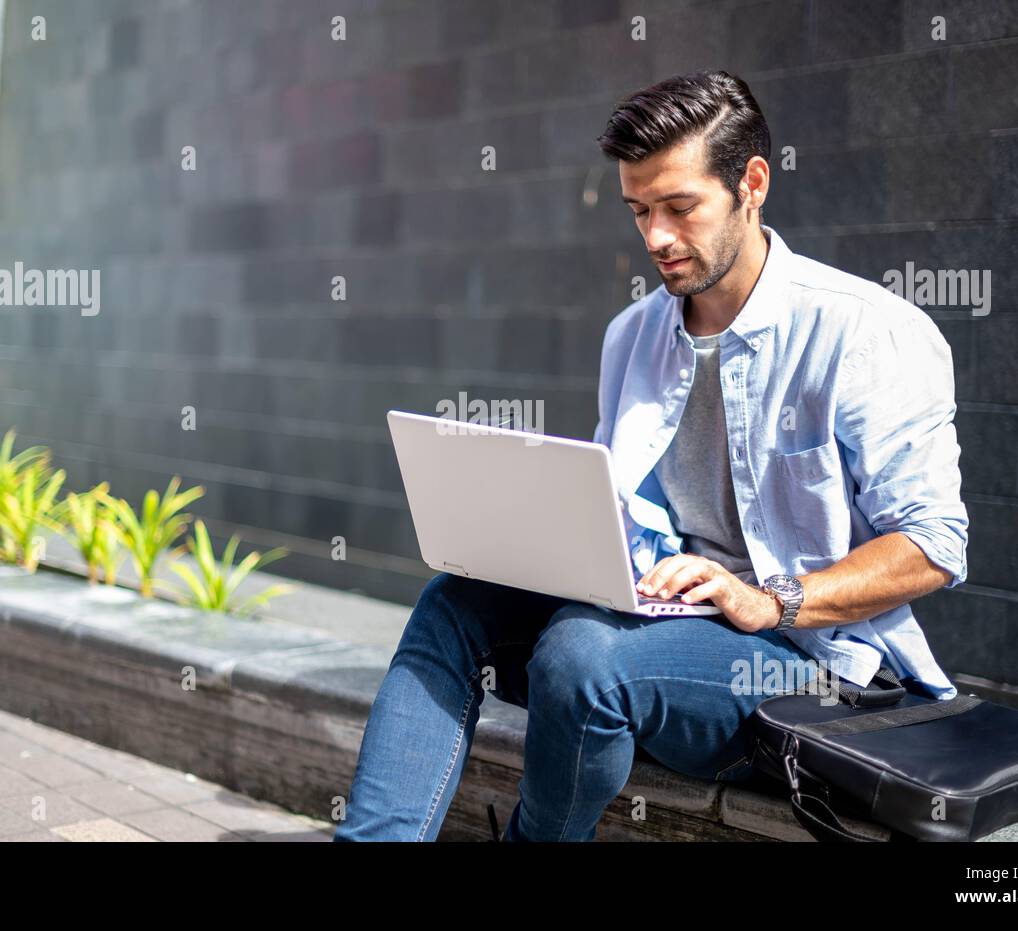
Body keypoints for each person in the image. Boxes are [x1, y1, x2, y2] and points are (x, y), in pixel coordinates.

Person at [333, 70, 968, 842]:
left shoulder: (867, 333)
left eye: (679, 207)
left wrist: (771, 596)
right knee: (453, 600)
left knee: (578, 657)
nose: (656, 237)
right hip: (662, 619)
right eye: (639, 211)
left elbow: (934, 544)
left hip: (807, 664)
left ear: (752, 184)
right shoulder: (632, 335)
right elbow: (619, 510)